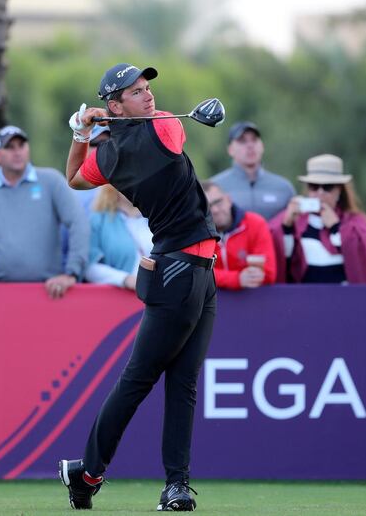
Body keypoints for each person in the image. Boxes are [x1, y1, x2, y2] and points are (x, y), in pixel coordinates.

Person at [58, 63, 219, 511]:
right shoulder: (166, 128)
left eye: (147, 88)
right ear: (115, 103)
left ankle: (174, 485)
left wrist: (80, 130)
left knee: (182, 382)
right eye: (135, 92)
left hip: (198, 271)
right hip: (179, 270)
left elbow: (73, 177)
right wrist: (102, 125)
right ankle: (88, 472)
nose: (148, 96)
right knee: (139, 379)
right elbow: (157, 125)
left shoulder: (107, 156)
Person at [0, 125, 88, 297]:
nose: (17, 152)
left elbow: (78, 222)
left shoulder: (51, 180)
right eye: (9, 147)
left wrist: (71, 273)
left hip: (50, 291)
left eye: (21, 145)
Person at [271, 154, 366, 284]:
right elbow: (282, 258)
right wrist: (287, 227)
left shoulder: (355, 221)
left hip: (341, 296)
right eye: (314, 186)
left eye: (327, 187)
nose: (320, 193)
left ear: (339, 190)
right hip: (305, 296)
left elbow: (362, 260)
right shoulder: (294, 219)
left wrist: (336, 228)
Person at [211, 121, 294, 220]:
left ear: (262, 146)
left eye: (254, 140)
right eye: (242, 141)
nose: (250, 145)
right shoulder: (215, 187)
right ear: (230, 150)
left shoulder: (284, 188)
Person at [201, 180, 276, 289]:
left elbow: (269, 273)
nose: (215, 210)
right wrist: (236, 278)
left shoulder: (255, 223)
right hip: (210, 303)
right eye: (207, 207)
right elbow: (195, 273)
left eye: (218, 202)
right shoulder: (196, 232)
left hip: (252, 300)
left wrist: (255, 276)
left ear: (228, 200)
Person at [85, 185, 153, 290]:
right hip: (118, 298)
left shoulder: (159, 219)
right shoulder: (98, 219)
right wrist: (124, 279)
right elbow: (88, 267)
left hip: (157, 298)